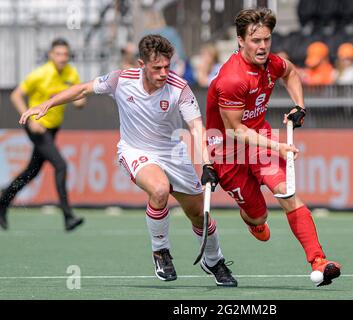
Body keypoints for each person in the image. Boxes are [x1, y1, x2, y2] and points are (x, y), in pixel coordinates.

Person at [19, 35, 237, 287]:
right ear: (141, 64)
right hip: (135, 150)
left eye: (167, 66)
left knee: (199, 214)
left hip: (172, 152)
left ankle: (213, 260)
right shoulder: (121, 79)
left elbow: (197, 127)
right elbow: (82, 89)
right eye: (157, 68)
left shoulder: (179, 87)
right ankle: (161, 252)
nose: (164, 73)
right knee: (159, 189)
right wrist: (48, 103)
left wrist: (207, 164)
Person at [205, 8, 341, 287]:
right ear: (240, 40)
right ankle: (254, 222)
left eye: (267, 39)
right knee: (259, 214)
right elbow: (234, 130)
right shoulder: (232, 78)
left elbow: (290, 73)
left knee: (285, 191)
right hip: (228, 151)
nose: (263, 46)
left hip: (259, 140)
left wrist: (299, 106)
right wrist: (277, 146)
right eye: (256, 41)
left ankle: (319, 260)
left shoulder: (270, 63)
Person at [0, 38, 85, 232]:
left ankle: (3, 201)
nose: (62, 58)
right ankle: (68, 216)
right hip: (37, 128)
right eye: (58, 54)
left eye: (65, 54)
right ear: (51, 55)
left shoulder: (71, 73)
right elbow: (16, 95)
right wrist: (30, 120)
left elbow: (79, 97)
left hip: (52, 129)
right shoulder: (41, 74)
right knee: (61, 165)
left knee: (32, 172)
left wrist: (80, 102)